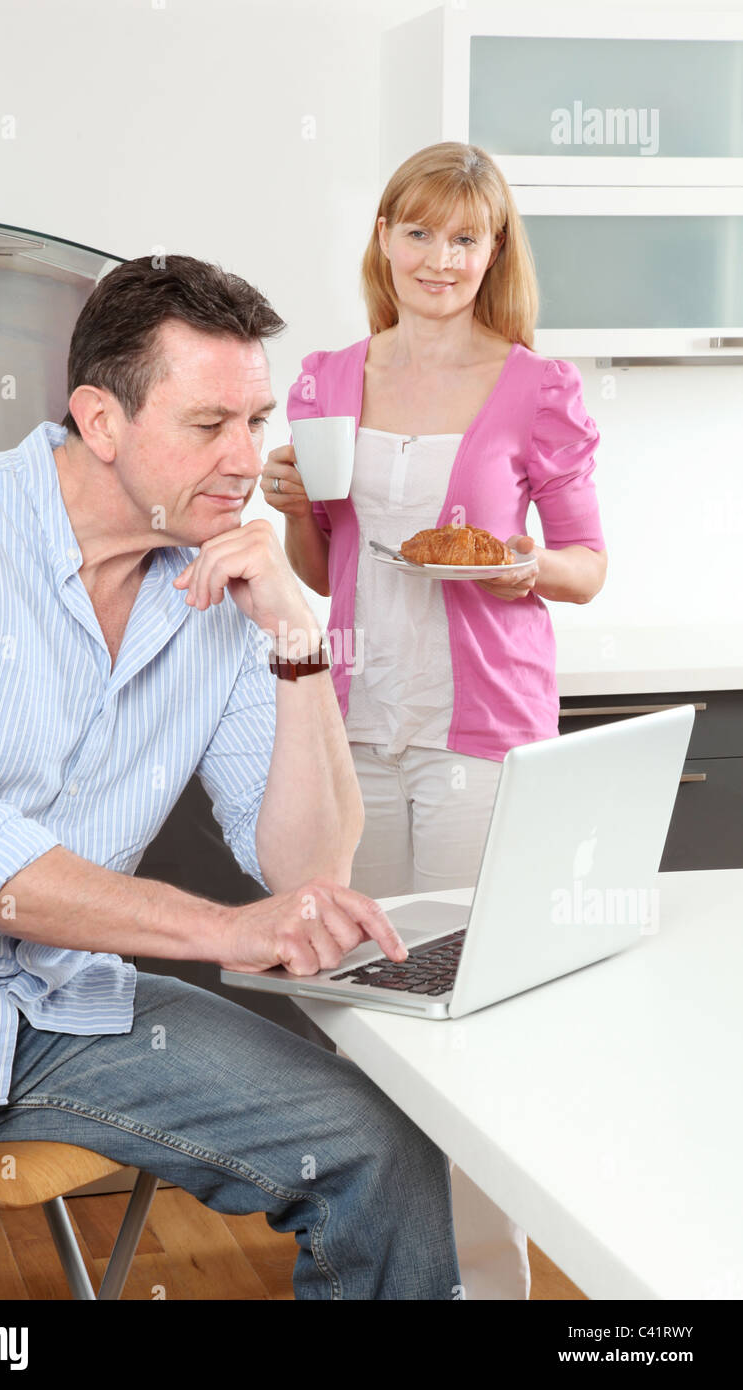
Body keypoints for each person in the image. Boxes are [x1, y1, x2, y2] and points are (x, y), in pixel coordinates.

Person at [0, 254, 461, 1301]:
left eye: (258, 419)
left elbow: (304, 868)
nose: (248, 459)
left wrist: (295, 638)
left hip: (60, 1008)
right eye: (208, 425)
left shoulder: (224, 578)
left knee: (375, 1146)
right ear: (100, 421)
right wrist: (224, 930)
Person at [261, 142, 608, 1299]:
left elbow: (587, 566)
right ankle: (379, 1274)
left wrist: (521, 563)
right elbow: (323, 562)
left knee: (469, 1025)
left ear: (491, 252)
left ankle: (489, 1284)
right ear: (382, 238)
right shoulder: (324, 379)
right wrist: (287, 507)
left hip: (481, 738)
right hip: (354, 728)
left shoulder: (532, 387)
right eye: (416, 232)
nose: (437, 258)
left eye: (463, 237)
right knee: (358, 1020)